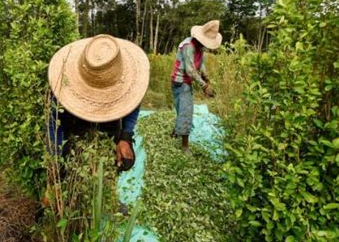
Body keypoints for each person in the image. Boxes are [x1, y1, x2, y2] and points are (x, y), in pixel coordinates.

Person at [47, 34, 150, 171]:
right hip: (74, 127)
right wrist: (57, 157)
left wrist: (125, 137)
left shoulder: (129, 81)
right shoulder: (63, 85)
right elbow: (54, 122)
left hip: (110, 127)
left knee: (106, 171)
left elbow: (133, 104)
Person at [170, 20, 222, 153]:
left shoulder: (199, 47)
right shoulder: (189, 46)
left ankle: (176, 131)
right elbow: (190, 70)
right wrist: (204, 86)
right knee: (186, 111)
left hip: (185, 81)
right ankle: (185, 147)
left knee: (182, 107)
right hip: (181, 81)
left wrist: (207, 78)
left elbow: (201, 65)